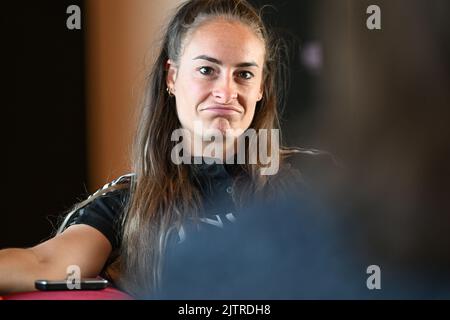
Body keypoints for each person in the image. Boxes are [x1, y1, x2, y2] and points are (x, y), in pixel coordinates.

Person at [0, 0, 314, 298]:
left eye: (244, 74)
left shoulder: (316, 177)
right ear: (172, 77)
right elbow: (45, 264)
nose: (226, 92)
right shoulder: (128, 202)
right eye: (207, 70)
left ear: (261, 87)